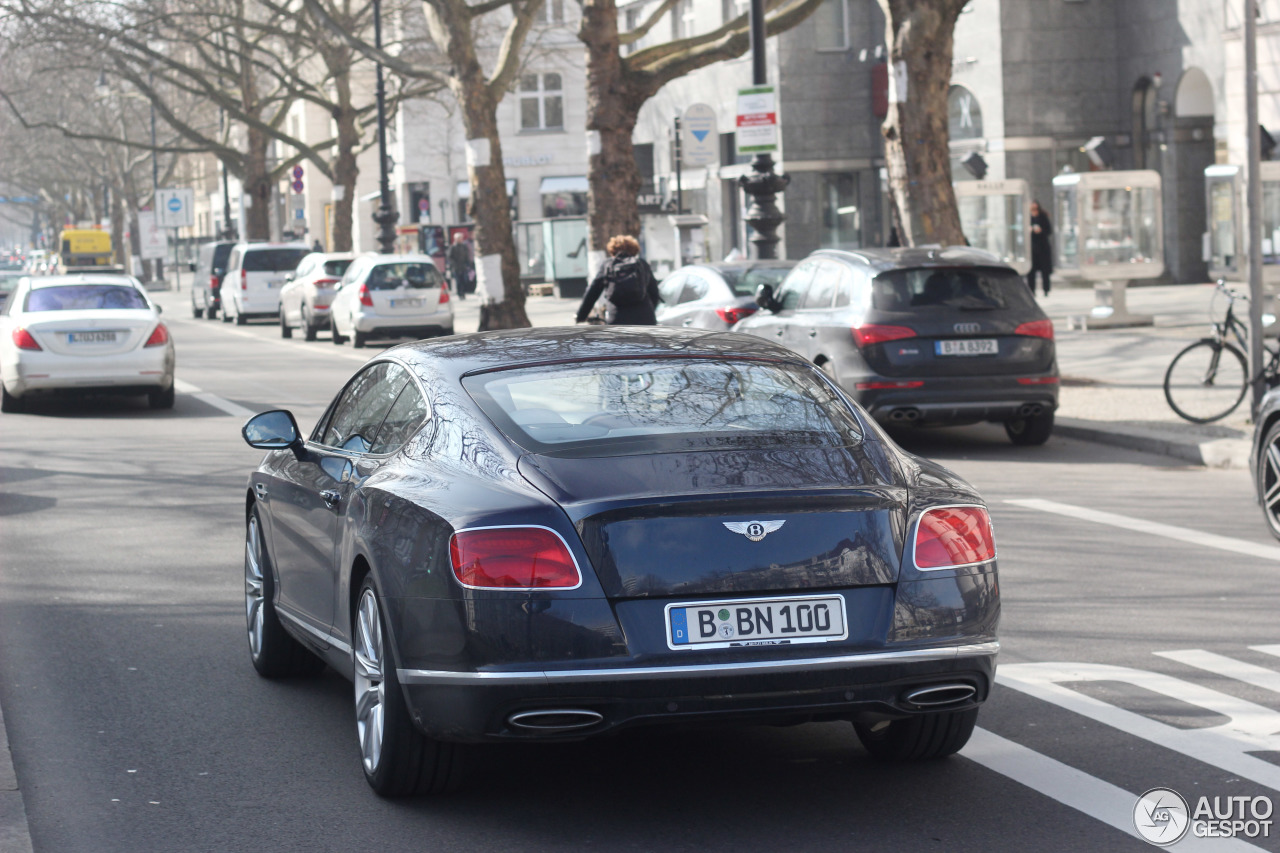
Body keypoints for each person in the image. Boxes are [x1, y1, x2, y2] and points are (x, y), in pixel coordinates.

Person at [575, 235, 659, 325]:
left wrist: (581, 315)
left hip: (617, 318)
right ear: (634, 250)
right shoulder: (642, 264)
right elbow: (654, 293)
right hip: (644, 318)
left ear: (612, 250)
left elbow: (593, 291)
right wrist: (650, 310)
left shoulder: (608, 265)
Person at [1028, 199, 1053, 297]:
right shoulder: (1028, 217)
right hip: (1032, 248)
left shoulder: (1043, 217)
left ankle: (1046, 289)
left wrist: (1040, 231)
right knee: (1031, 271)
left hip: (1043, 247)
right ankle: (1031, 290)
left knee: (1045, 271)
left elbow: (1048, 230)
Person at [447, 232, 475, 300]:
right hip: (456, 268)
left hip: (463, 267)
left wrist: (468, 264)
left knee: (463, 280)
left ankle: (463, 293)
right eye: (458, 238)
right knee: (458, 281)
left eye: (461, 238)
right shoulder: (453, 247)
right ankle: (460, 293)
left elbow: (466, 256)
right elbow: (450, 257)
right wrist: (454, 265)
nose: (460, 239)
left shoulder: (463, 246)